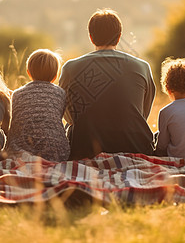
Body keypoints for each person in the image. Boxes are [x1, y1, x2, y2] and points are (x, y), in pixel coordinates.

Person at [59, 9, 156, 160]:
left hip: (85, 150)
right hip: (137, 148)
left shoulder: (70, 68)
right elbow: (143, 113)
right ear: (118, 38)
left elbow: (68, 116)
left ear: (91, 37)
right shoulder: (142, 67)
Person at [6, 49, 70, 161]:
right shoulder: (60, 93)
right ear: (55, 76)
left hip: (20, 153)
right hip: (57, 153)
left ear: (28, 73)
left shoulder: (17, 94)